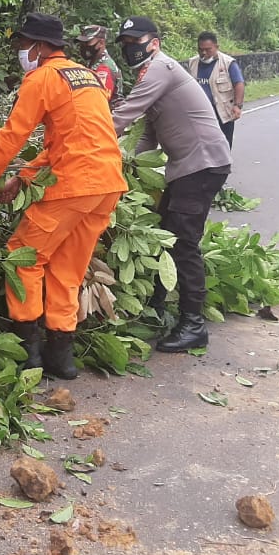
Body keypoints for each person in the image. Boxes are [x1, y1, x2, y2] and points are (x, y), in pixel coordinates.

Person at [0, 13, 126, 380]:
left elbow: (11, 137)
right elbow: (72, 139)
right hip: (106, 184)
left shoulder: (41, 78)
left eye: (23, 45)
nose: (20, 51)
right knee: (66, 267)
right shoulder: (84, 76)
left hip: (74, 183)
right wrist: (23, 179)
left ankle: (28, 355)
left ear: (40, 47)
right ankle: (62, 358)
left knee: (22, 257)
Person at [113, 17, 231, 353]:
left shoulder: (160, 69)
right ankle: (157, 308)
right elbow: (147, 135)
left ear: (154, 42)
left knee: (183, 242)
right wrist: (125, 164)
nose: (129, 48)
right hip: (188, 168)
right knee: (163, 232)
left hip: (202, 164)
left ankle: (193, 325)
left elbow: (125, 115)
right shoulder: (153, 74)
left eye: (135, 40)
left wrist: (86, 141)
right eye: (124, 43)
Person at [185, 31, 245, 148]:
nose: (204, 53)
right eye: (201, 49)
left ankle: (223, 165)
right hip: (200, 112)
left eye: (208, 50)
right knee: (202, 144)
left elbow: (239, 83)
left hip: (222, 112)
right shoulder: (193, 63)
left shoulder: (228, 63)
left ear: (216, 47)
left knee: (224, 144)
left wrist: (238, 106)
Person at [75, 24, 122, 105]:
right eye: (82, 43)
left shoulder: (104, 68)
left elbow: (100, 100)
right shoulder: (94, 62)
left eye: (87, 42)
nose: (83, 46)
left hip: (107, 114)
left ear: (101, 43)